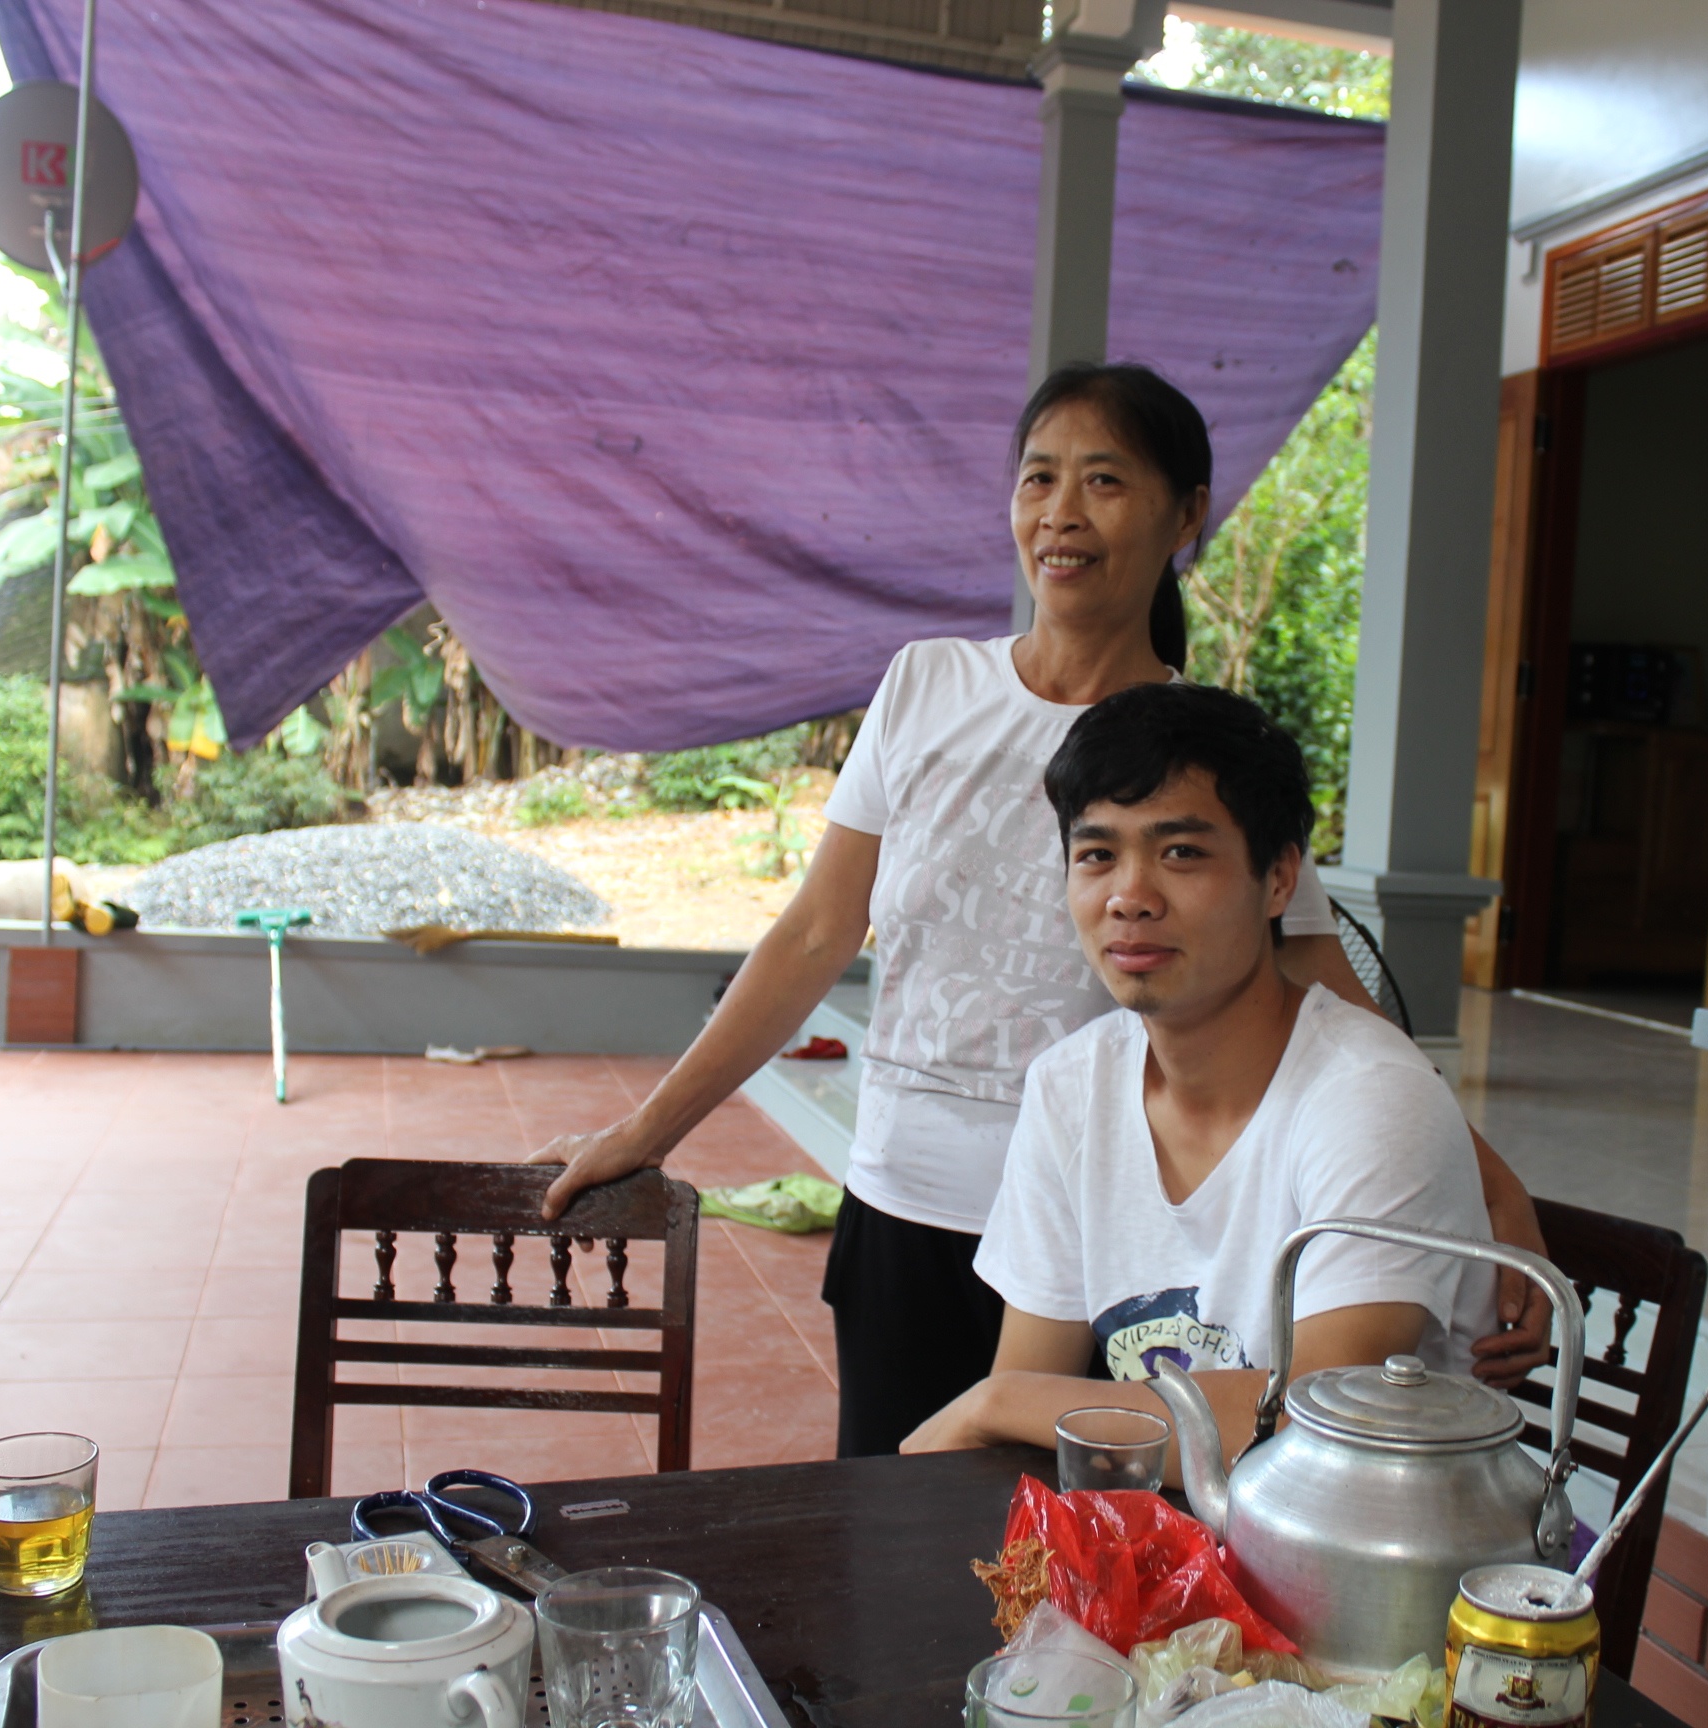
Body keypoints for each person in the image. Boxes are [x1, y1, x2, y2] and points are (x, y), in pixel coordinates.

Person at [531, 361, 1549, 1456]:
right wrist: (648, 1130)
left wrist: (1492, 1196)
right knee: (897, 1510)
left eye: (1105, 480)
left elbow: (1336, 1012)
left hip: (1119, 1249)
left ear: (1186, 517)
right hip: (907, 1211)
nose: (1062, 512)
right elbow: (815, 934)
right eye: (1038, 478)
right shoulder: (926, 686)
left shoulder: (1204, 755)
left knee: (1101, 1510)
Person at [903, 683, 1494, 1455]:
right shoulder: (1072, 1086)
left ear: (1279, 880)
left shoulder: (1372, 1100)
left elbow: (1318, 1423)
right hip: (1165, 1517)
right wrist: (1008, 1403)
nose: (1130, 897)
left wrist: (996, 1403)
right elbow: (1029, 1386)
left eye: (1181, 853)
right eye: (1097, 855)